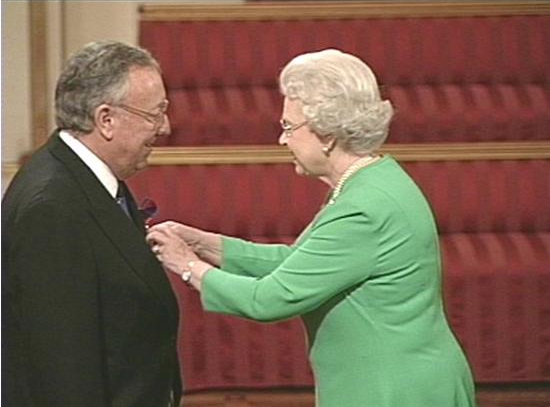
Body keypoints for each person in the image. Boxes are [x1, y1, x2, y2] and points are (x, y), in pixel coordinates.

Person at [146, 49, 476, 406]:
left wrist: (187, 265)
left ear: (327, 133)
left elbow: (270, 299)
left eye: (289, 127)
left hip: (392, 389)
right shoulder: (371, 181)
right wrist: (208, 245)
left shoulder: (363, 209)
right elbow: (301, 262)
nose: (282, 140)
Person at [2, 41, 181, 407]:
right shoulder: (51, 207)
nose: (165, 127)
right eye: (154, 114)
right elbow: (63, 367)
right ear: (106, 120)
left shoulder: (87, 178)